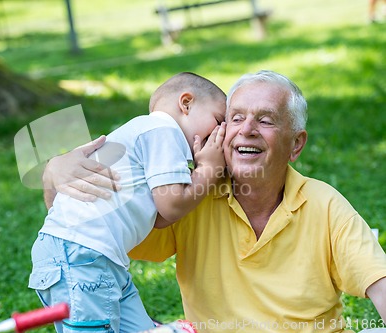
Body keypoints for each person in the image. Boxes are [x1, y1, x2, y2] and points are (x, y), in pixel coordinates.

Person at [42, 70, 386, 333]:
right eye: (233, 119)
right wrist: (54, 174)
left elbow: (380, 283)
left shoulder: (324, 204)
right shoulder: (188, 196)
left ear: (296, 145)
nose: (246, 129)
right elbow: (84, 236)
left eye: (265, 120)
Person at [29, 72, 227, 333]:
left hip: (97, 258)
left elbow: (160, 218)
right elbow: (171, 205)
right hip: (81, 256)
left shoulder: (151, 135)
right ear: (186, 103)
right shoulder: (163, 130)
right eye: (219, 121)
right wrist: (209, 171)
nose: (222, 134)